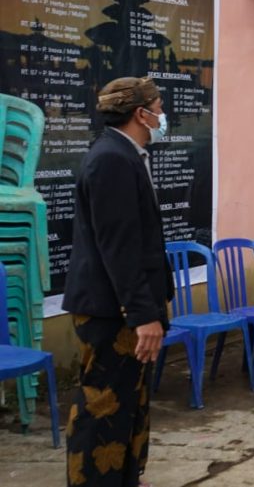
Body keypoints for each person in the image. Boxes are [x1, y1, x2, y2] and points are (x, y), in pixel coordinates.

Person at [64, 76, 173, 487]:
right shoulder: (111, 159)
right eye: (158, 109)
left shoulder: (127, 155)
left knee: (131, 400)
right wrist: (142, 313)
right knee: (104, 404)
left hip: (124, 307)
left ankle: (127, 477)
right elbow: (119, 247)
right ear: (140, 114)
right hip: (110, 310)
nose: (163, 116)